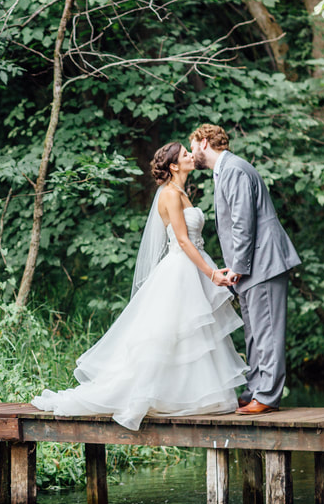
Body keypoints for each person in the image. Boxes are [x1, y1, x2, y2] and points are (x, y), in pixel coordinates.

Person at [31, 142, 247, 431]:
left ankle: (192, 397)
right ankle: (151, 395)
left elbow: (191, 242)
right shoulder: (169, 194)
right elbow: (182, 241)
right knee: (170, 336)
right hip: (180, 271)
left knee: (191, 337)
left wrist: (210, 269)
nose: (190, 156)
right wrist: (211, 274)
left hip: (192, 268)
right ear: (173, 166)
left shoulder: (182, 192)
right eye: (184, 154)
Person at [189, 124, 301, 415]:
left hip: (264, 264)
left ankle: (267, 396)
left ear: (204, 143)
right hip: (254, 265)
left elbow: (242, 223)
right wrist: (236, 267)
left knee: (267, 332)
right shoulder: (226, 170)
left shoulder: (234, 169)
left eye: (192, 146)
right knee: (253, 333)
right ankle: (254, 389)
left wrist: (237, 267)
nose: (191, 153)